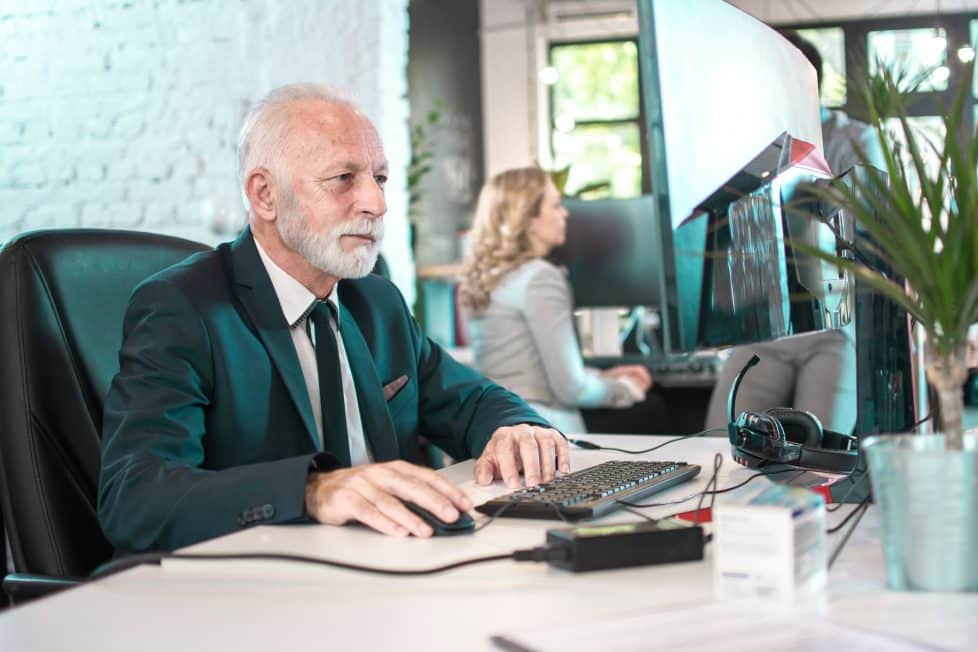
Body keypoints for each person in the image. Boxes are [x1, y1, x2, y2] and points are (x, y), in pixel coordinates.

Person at [98, 85, 569, 553]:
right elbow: (135, 498)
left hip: (394, 566)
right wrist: (312, 491)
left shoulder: (375, 300)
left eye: (379, 179)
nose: (376, 204)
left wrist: (517, 428)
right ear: (265, 195)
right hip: (260, 594)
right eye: (343, 178)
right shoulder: (182, 307)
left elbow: (474, 400)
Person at [704, 31, 884, 435]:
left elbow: (865, 232)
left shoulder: (854, 140)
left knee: (820, 456)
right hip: (762, 324)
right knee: (719, 443)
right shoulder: (747, 144)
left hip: (831, 327)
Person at [458, 167, 652, 435]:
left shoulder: (479, 279)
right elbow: (571, 389)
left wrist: (603, 376)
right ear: (528, 219)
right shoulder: (540, 277)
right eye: (556, 205)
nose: (565, 213)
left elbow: (526, 370)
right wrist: (626, 388)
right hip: (545, 429)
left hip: (498, 426)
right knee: (655, 410)